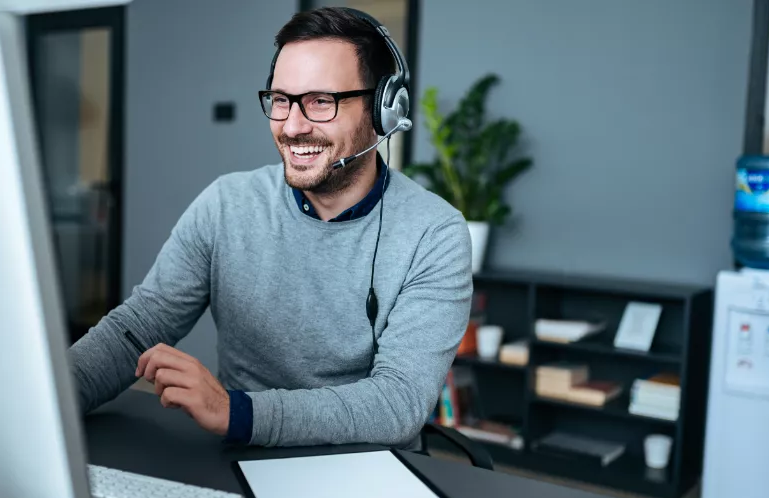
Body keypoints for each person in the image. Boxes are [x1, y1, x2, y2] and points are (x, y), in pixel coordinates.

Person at [67, 7, 473, 448]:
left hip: (366, 470)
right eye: (282, 100)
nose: (293, 126)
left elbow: (397, 403)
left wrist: (236, 412)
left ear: (381, 110)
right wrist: (49, 399)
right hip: (240, 457)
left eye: (321, 101)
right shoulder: (225, 204)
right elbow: (138, 327)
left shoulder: (435, 233)